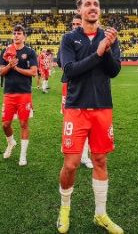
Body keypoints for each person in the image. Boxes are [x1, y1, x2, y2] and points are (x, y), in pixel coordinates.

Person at [57, 0, 123, 234]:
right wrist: (98, 52)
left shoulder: (111, 38)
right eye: (87, 4)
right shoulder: (68, 39)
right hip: (76, 108)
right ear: (79, 10)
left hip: (103, 108)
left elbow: (114, 71)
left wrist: (106, 49)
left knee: (100, 160)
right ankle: (64, 208)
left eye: (96, 4)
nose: (92, 7)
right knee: (72, 164)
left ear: (100, 10)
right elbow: (70, 70)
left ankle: (101, 214)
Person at [0, 25, 37, 166]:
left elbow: (33, 72)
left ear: (24, 36)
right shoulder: (6, 51)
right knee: (5, 124)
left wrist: (16, 68)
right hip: (9, 93)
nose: (16, 35)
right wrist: (9, 66)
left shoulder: (30, 52)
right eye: (14, 33)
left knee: (23, 123)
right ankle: (11, 143)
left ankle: (23, 154)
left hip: (24, 93)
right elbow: (0, 72)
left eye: (19, 33)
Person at [59, 14, 92, 168]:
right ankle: (68, 144)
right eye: (73, 24)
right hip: (68, 83)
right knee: (68, 115)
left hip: (87, 85)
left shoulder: (89, 42)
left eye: (78, 23)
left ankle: (85, 155)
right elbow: (62, 63)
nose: (75, 26)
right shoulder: (67, 41)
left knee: (86, 116)